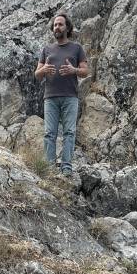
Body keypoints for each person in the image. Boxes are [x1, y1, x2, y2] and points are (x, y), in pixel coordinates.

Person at [34, 12, 88, 176]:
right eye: (55, 25)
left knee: (69, 132)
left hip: (70, 97)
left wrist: (74, 70)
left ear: (67, 27)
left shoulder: (77, 48)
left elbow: (85, 71)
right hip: (50, 97)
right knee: (49, 133)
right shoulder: (46, 49)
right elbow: (37, 74)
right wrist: (43, 70)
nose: (57, 27)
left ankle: (66, 168)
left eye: (60, 24)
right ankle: (50, 168)